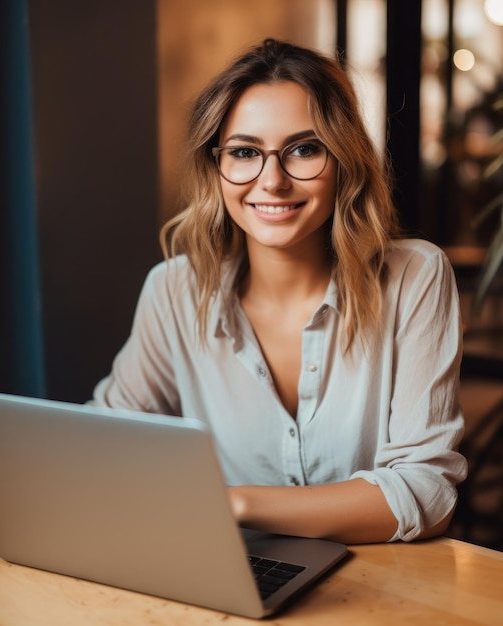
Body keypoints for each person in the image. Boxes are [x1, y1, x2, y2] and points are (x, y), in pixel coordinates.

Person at [91, 38, 467, 544]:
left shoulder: (415, 277)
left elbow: (427, 492)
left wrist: (236, 502)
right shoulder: (175, 290)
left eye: (304, 149)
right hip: (232, 575)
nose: (272, 181)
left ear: (344, 160)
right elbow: (105, 442)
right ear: (215, 166)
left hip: (383, 588)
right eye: (245, 152)